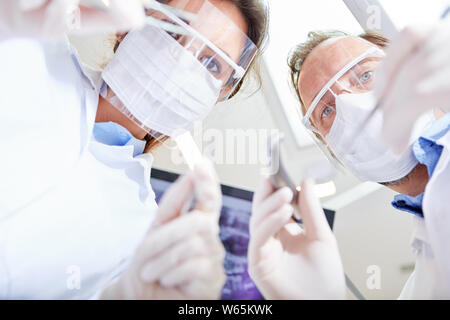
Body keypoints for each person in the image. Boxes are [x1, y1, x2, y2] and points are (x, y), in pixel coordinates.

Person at [0, 0, 268, 299]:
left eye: (211, 64)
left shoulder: (143, 234)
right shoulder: (28, 43)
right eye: (173, 29)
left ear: (216, 97)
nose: (182, 60)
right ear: (126, 26)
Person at [248, 21, 450, 299]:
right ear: (334, 150)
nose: (351, 105)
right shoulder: (422, 287)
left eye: (365, 75)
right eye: (327, 110)